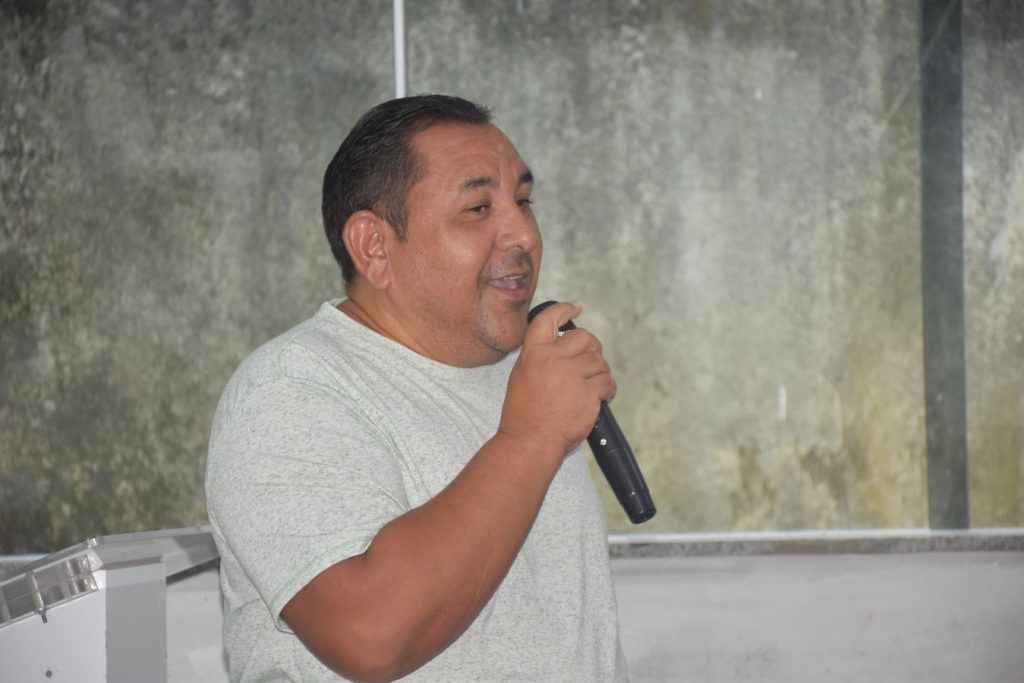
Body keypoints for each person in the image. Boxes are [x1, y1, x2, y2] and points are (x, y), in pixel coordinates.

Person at [206, 94, 628, 682]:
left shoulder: (525, 379)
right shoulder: (288, 390)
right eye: (478, 208)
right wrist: (530, 437)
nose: (523, 234)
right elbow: (369, 636)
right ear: (374, 247)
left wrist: (533, 428)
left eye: (524, 201)